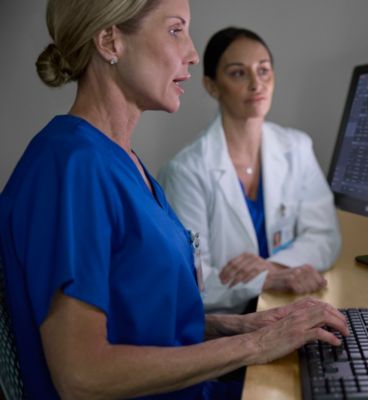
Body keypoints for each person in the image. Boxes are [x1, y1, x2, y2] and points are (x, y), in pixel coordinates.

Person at [0, 1, 349, 399]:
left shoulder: (122, 162)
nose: (193, 52)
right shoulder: (71, 167)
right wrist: (255, 347)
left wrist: (246, 326)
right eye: (175, 30)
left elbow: (144, 320)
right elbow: (83, 375)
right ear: (110, 40)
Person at [158, 27, 342, 315]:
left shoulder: (297, 147)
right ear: (212, 86)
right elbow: (192, 279)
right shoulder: (185, 171)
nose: (257, 84)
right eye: (238, 73)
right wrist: (264, 280)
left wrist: (275, 266)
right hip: (224, 327)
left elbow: (325, 238)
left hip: (288, 307)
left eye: (264, 70)